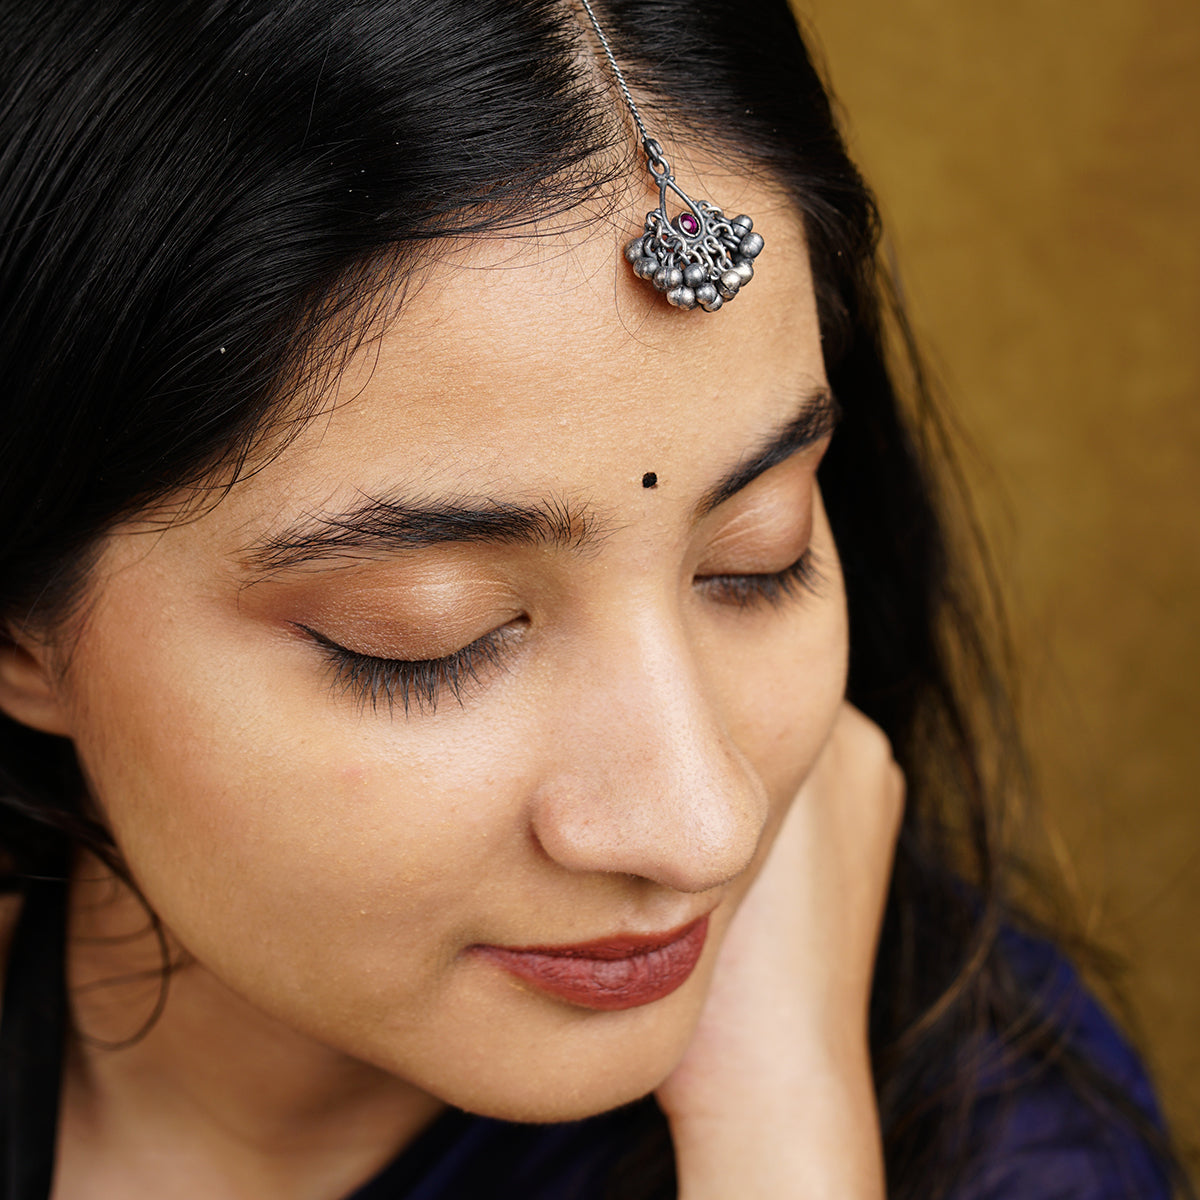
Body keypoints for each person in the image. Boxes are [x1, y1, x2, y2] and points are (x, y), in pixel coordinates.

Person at [0, 1, 1189, 1197]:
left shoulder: (1004, 1146)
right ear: (19, 629)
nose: (702, 824)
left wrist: (783, 1139)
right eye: (431, 636)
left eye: (756, 558)